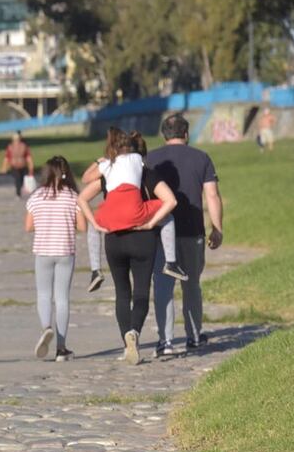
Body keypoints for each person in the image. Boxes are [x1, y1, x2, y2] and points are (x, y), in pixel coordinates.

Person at [78, 154, 178, 365]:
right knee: (142, 291)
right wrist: (151, 224)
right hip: (142, 237)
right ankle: (134, 332)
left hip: (114, 239)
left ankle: (127, 344)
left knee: (122, 293)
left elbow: (83, 193)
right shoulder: (148, 175)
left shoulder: (108, 176)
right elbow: (169, 202)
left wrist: (95, 225)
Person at [148, 114, 224, 357]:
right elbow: (211, 195)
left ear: (163, 135)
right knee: (191, 285)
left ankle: (166, 341)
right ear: (186, 134)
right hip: (193, 232)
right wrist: (217, 227)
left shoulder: (150, 159)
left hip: (159, 233)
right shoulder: (201, 158)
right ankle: (193, 336)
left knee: (163, 287)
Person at [81, 128, 189, 284]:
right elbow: (171, 201)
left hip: (112, 220)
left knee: (94, 223)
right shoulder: (141, 163)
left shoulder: (108, 168)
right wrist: (151, 223)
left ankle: (95, 269)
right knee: (168, 216)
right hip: (138, 218)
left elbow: (85, 179)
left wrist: (101, 160)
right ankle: (171, 262)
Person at [25, 156, 86, 362]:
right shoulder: (72, 196)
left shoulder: (37, 196)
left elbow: (28, 226)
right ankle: (61, 348)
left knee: (43, 294)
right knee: (62, 298)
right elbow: (82, 226)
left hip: (43, 251)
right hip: (65, 251)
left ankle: (46, 328)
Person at [1, 131, 35, 198]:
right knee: (17, 179)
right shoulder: (10, 147)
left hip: (23, 165)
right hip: (14, 166)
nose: (16, 140)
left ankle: (19, 189)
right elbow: (7, 157)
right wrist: (4, 167)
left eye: (17, 139)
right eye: (15, 139)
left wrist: (31, 166)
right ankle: (18, 193)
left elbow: (28, 157)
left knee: (21, 180)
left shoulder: (24, 146)